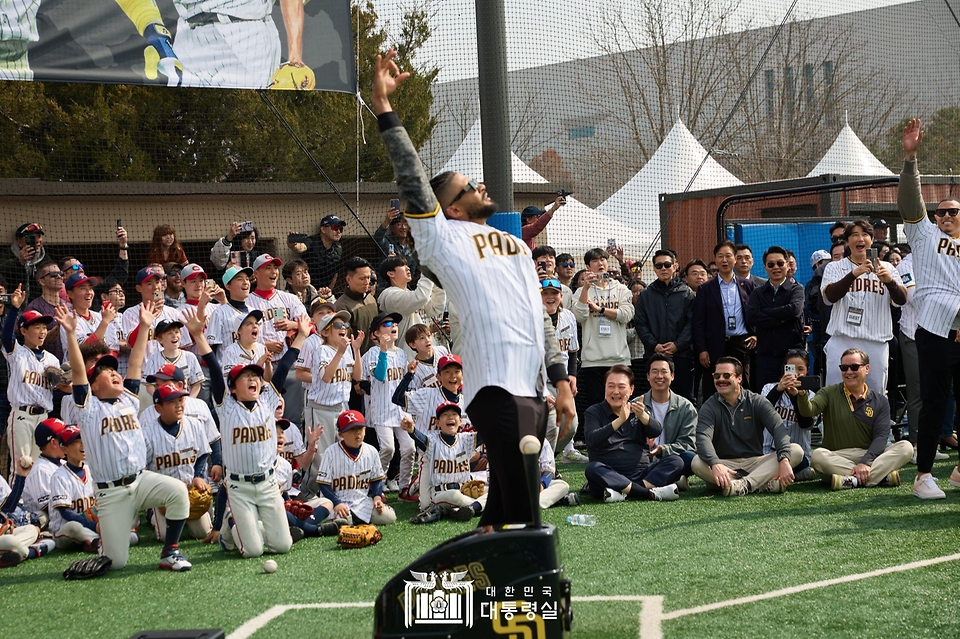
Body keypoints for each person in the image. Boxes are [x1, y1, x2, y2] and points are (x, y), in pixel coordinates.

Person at [373, 49, 575, 525]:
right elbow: (413, 178)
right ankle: (533, 594)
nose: (480, 186)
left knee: (503, 510)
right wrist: (385, 108)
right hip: (492, 388)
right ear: (453, 209)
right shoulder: (441, 237)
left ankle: (447, 594)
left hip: (532, 387)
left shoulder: (514, 244)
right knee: (527, 512)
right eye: (468, 186)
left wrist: (562, 380)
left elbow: (538, 316)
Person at [59, 299, 192, 571]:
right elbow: (77, 371)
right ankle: (101, 546)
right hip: (112, 494)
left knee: (178, 491)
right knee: (116, 562)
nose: (113, 373)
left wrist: (144, 326)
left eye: (112, 368)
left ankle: (170, 553)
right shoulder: (89, 408)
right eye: (105, 372)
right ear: (93, 385)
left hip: (140, 481)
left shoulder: (129, 401)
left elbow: (135, 361)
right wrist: (71, 334)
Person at [898, 118, 960, 499]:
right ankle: (923, 475)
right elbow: (909, 199)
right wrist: (910, 159)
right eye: (942, 212)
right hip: (935, 328)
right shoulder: (924, 234)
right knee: (935, 401)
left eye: (954, 211)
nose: (947, 216)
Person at [115, 0, 305, 89]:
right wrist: (158, 38)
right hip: (188, 33)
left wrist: (295, 58)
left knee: (245, 132)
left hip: (244, 35)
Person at [799, 349, 911, 489]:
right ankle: (878, 478)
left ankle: (851, 481)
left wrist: (865, 463)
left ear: (867, 368)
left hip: (867, 454)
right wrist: (802, 396)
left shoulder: (880, 400)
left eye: (854, 367)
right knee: (818, 456)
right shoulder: (828, 392)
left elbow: (881, 437)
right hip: (836, 457)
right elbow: (808, 410)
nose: (849, 372)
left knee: (906, 447)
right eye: (844, 368)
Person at [692, 357, 803, 496]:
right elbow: (703, 438)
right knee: (696, 462)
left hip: (756, 462)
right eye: (717, 376)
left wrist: (784, 459)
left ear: (739, 378)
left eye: (726, 375)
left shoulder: (756, 401)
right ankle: (762, 484)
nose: (720, 379)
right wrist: (715, 463)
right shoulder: (709, 406)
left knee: (796, 451)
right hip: (724, 464)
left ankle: (745, 484)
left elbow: (778, 429)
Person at [820, 220, 906, 391]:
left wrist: (889, 282)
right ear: (847, 241)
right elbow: (829, 297)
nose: (860, 238)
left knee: (874, 395)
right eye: (854, 235)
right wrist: (853, 275)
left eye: (865, 234)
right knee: (837, 393)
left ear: (871, 240)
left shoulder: (887, 267)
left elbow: (901, 300)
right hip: (842, 340)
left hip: (876, 341)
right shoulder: (834, 267)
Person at [582, 365, 682, 503]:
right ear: (605, 388)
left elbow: (656, 431)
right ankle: (648, 493)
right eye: (611, 386)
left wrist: (643, 417)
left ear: (631, 390)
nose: (615, 391)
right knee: (592, 469)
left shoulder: (638, 409)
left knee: (676, 461)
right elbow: (592, 439)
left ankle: (626, 492)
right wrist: (620, 420)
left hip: (641, 473)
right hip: (609, 473)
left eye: (621, 387)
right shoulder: (593, 412)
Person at [140, 382, 219, 540]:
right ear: (158, 408)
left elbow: (203, 454)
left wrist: (198, 476)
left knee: (202, 532)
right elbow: (142, 470)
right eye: (171, 402)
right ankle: (151, 511)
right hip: (162, 495)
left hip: (190, 490)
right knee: (164, 536)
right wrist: (156, 494)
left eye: (181, 400)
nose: (179, 406)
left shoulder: (194, 425)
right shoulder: (147, 433)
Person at [3, 287, 63, 466]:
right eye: (37, 327)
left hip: (43, 417)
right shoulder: (17, 353)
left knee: (40, 466)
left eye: (44, 328)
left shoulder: (52, 360)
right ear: (23, 331)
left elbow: (57, 391)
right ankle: (16, 496)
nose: (42, 332)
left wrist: (60, 382)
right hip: (22, 416)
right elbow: (6, 337)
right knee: (21, 465)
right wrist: (14, 308)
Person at [359, 312, 414, 499]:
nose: (393, 325)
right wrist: (382, 349)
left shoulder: (401, 354)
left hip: (400, 410)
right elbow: (380, 376)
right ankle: (377, 485)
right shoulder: (372, 353)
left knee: (409, 448)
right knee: (388, 448)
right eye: (387, 323)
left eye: (395, 323)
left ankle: (404, 487)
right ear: (375, 333)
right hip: (381, 410)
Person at [574, 248, 635, 414]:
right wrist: (586, 287)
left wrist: (600, 310)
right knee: (597, 407)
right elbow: (579, 316)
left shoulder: (621, 289)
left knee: (621, 405)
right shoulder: (581, 292)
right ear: (588, 266)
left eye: (603, 259)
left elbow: (626, 315)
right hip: (593, 360)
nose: (600, 263)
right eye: (595, 261)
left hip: (619, 358)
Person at [693, 241, 757, 396]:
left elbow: (756, 314)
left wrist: (756, 334)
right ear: (715, 259)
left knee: (744, 387)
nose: (724, 260)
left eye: (728, 256)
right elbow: (698, 322)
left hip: (742, 344)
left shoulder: (748, 285)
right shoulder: (705, 289)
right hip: (715, 346)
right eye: (720, 256)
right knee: (714, 388)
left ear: (735, 258)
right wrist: (702, 350)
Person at [402, 404, 483, 523]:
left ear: (460, 421)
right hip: (441, 493)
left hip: (464, 491)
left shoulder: (466, 439)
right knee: (455, 496)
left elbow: (486, 433)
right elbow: (422, 440)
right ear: (438, 422)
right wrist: (412, 431)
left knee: (493, 492)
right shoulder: (433, 441)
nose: (450, 417)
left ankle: (459, 510)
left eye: (454, 414)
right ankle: (477, 507)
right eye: (445, 415)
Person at [317, 410, 397, 526]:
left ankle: (357, 518)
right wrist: (336, 503)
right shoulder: (330, 452)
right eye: (352, 430)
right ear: (341, 434)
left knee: (389, 516)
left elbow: (376, 479)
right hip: (337, 502)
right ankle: (351, 519)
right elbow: (323, 484)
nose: (357, 433)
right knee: (344, 522)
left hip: (362, 502)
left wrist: (377, 498)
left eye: (360, 429)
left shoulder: (371, 451)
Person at [635, 250, 696, 402]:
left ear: (675, 266)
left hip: (681, 356)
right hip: (653, 356)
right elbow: (640, 324)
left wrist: (677, 345)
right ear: (654, 269)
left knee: (684, 399)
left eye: (667, 265)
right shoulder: (646, 294)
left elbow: (692, 323)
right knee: (654, 399)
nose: (663, 268)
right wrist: (654, 345)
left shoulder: (687, 293)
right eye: (659, 265)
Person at [746, 246, 805, 390]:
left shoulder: (796, 289)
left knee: (793, 393)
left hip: (791, 356)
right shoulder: (758, 293)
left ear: (787, 265)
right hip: (766, 357)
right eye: (771, 264)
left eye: (780, 263)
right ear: (765, 267)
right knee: (766, 397)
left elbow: (794, 310)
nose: (776, 268)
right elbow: (752, 316)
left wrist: (765, 312)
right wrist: (782, 319)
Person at [539, 279, 582, 460]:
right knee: (550, 427)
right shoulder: (530, 319)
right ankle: (546, 466)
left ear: (561, 296)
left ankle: (550, 459)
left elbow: (572, 352)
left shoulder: (569, 316)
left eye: (554, 293)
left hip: (562, 381)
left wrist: (572, 375)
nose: (550, 297)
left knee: (571, 426)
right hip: (541, 382)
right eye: (545, 293)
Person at [760, 350, 818, 481]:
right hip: (767, 453)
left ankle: (770, 477)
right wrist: (779, 389)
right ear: (785, 369)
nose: (796, 373)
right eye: (791, 368)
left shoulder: (812, 396)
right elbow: (760, 414)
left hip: (797, 457)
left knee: (796, 453)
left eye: (800, 369)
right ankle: (791, 476)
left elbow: (806, 424)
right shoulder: (769, 388)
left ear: (807, 370)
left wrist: (796, 397)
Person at [638, 354, 697, 483]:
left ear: (672, 376)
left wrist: (663, 450)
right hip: (643, 460)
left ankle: (669, 477)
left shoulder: (686, 407)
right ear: (648, 376)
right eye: (654, 372)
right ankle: (674, 480)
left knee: (690, 457)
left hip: (672, 458)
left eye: (664, 372)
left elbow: (688, 443)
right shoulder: (636, 404)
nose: (659, 376)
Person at [378, 254, 444, 362]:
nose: (408, 268)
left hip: (428, 353)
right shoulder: (390, 296)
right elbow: (421, 297)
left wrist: (436, 278)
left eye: (407, 265)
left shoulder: (409, 294)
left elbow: (435, 308)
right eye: (402, 265)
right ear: (390, 273)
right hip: (409, 358)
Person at [48, 425, 101, 552]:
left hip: (89, 527)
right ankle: (101, 540)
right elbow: (65, 513)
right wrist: (94, 526)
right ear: (64, 449)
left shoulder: (92, 470)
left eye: (84, 440)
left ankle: (95, 541)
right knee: (74, 527)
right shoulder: (59, 476)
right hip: (63, 530)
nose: (83, 445)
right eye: (77, 442)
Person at [141, 319, 205, 398]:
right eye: (169, 333)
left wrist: (190, 401)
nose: (174, 335)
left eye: (176, 332)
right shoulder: (154, 359)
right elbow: (149, 386)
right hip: (164, 403)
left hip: (185, 401)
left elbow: (196, 384)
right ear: (159, 339)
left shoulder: (190, 357)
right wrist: (160, 400)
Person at [334, 257, 379, 354]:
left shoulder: (371, 299)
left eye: (368, 277)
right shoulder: (341, 306)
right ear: (349, 279)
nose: (367, 282)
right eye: (362, 278)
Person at [288, 214, 345, 291]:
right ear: (323, 229)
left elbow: (335, 273)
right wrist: (292, 245)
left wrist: (328, 291)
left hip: (323, 292)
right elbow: (300, 248)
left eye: (340, 229)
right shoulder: (312, 241)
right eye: (334, 227)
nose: (338, 231)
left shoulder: (338, 248)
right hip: (306, 290)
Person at [22, 418, 66, 514]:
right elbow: (49, 508)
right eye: (64, 437)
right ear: (53, 442)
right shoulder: (40, 471)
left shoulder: (64, 463)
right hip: (44, 524)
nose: (69, 440)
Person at [24, 261, 66, 362]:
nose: (59, 277)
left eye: (60, 273)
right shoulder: (34, 308)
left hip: (69, 365)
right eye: (53, 275)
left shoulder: (69, 306)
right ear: (42, 281)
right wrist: (59, 326)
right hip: (44, 365)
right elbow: (35, 340)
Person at [0, 223, 52, 302]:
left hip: (37, 304)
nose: (37, 241)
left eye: (39, 237)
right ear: (19, 242)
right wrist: (18, 261)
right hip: (12, 303)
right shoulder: (6, 255)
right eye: (32, 238)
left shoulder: (46, 259)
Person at [375, 206, 419, 276]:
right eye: (399, 224)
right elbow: (378, 238)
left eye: (406, 224)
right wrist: (387, 221)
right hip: (385, 284)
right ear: (392, 228)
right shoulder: (387, 241)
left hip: (405, 285)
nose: (403, 227)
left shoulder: (413, 246)